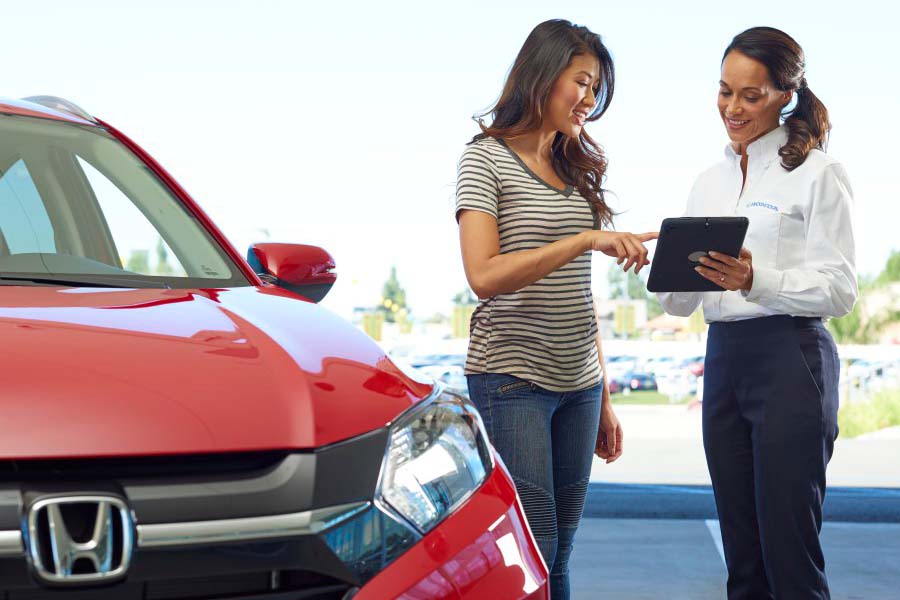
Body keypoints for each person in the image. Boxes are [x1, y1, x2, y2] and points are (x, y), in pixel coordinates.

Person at [455, 19, 656, 599]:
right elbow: (483, 276)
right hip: (512, 377)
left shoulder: (576, 167)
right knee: (535, 543)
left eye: (596, 89)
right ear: (543, 76)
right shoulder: (484, 160)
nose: (589, 99)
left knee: (561, 547)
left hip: (581, 385)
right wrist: (583, 241)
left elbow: (579, 294)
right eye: (582, 83)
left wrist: (606, 399)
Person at [658, 26, 857, 599]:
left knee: (789, 556)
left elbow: (840, 289)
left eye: (751, 95)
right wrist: (664, 267)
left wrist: (756, 279)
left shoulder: (817, 173)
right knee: (742, 559)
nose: (733, 108)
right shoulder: (707, 183)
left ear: (784, 95)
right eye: (725, 92)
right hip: (723, 361)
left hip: (790, 358)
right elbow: (680, 302)